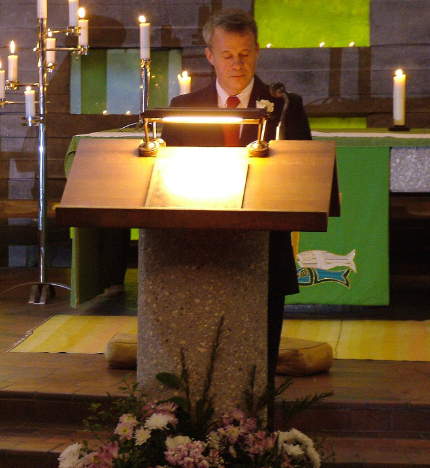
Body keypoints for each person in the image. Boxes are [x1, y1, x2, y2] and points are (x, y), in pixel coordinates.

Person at [161, 9, 312, 400]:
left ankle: (256, 433)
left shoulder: (284, 107)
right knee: (198, 364)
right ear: (210, 56)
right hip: (199, 251)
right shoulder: (182, 107)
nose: (237, 64)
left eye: (245, 54)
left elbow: (303, 180)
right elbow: (163, 182)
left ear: (258, 53)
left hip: (264, 250)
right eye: (227, 55)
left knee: (259, 367)